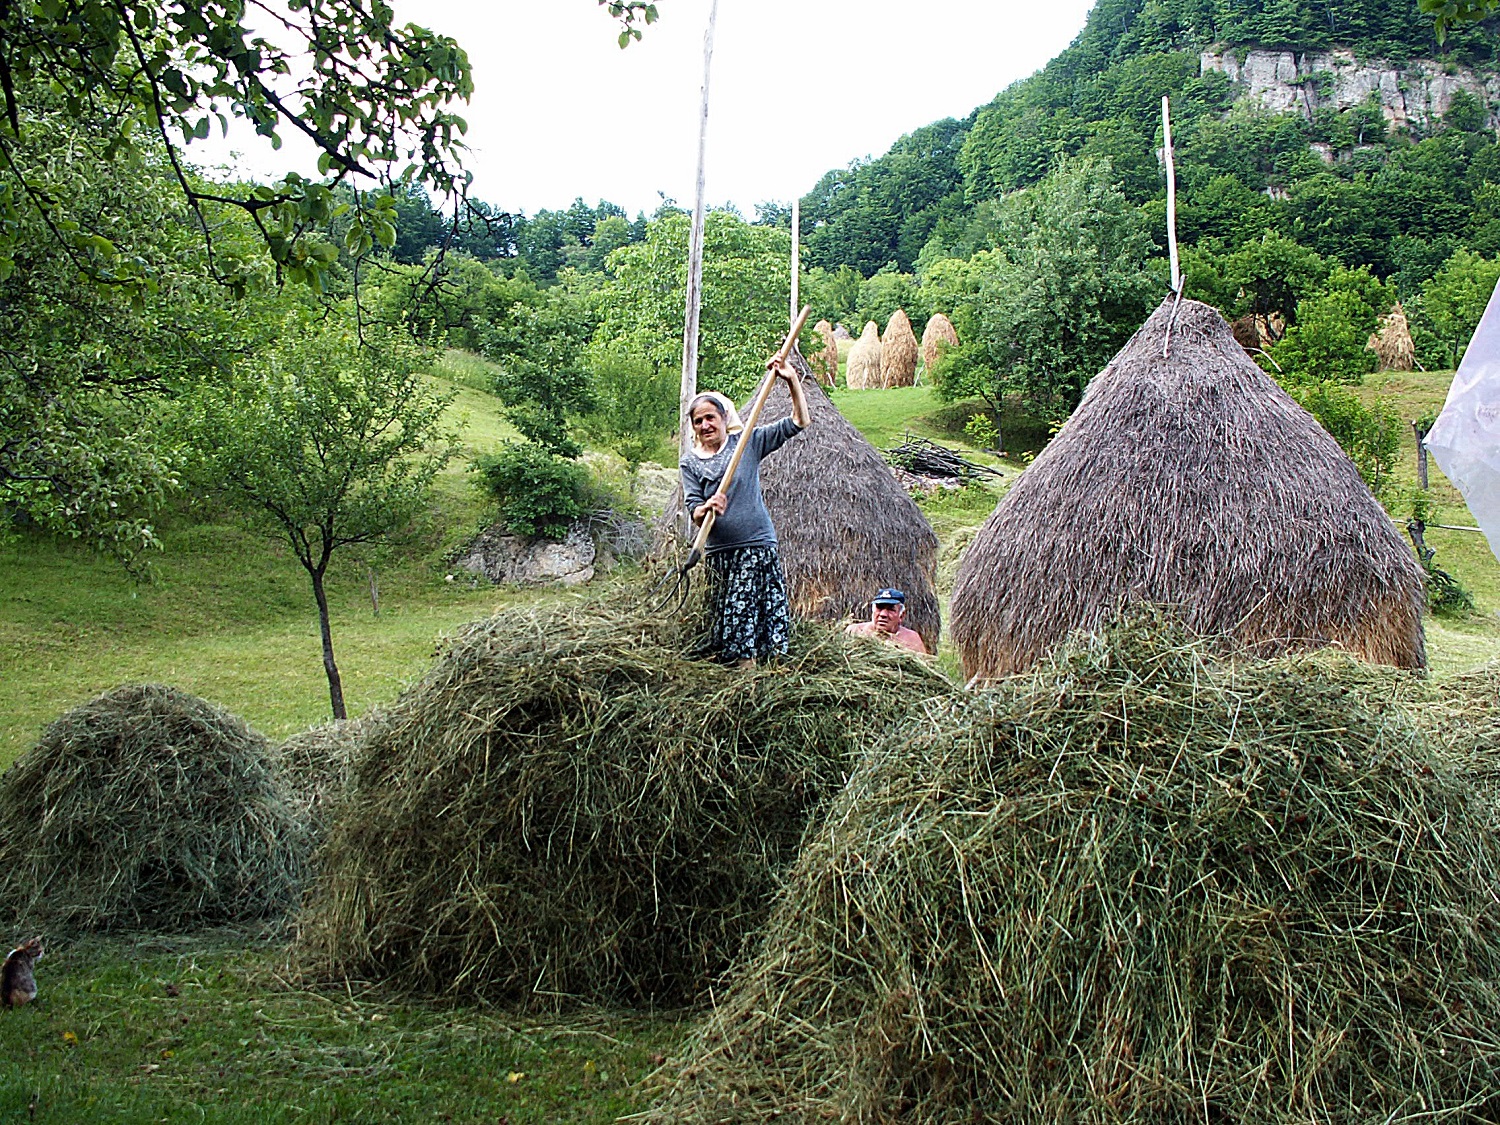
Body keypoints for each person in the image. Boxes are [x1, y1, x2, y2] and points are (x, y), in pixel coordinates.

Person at [680, 357, 810, 668]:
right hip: (718, 552)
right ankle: (739, 676)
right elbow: (693, 506)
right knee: (728, 618)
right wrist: (705, 508)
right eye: (698, 421)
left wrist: (791, 380)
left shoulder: (748, 442)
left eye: (710, 418)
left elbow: (799, 421)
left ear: (724, 418)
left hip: (755, 545)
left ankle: (752, 676)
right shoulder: (691, 462)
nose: (705, 426)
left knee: (749, 613)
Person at [846, 588, 928, 654]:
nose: (883, 614)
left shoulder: (911, 640)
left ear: (901, 616)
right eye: (879, 608)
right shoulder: (854, 632)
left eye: (890, 609)